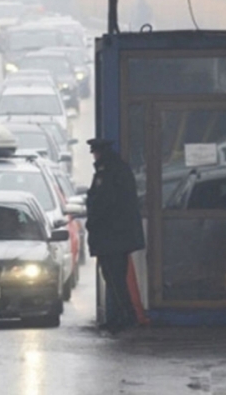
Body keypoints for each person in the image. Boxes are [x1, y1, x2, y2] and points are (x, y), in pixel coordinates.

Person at [85, 138, 146, 333]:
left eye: (94, 152)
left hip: (112, 236)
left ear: (99, 152)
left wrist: (91, 221)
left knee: (114, 278)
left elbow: (102, 203)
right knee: (114, 278)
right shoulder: (116, 169)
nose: (93, 156)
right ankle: (122, 316)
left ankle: (125, 317)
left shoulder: (108, 172)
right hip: (117, 235)